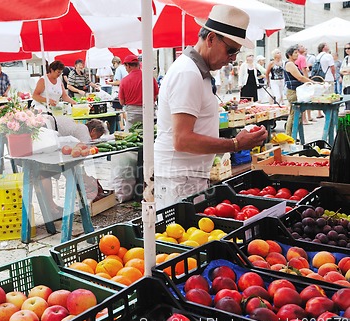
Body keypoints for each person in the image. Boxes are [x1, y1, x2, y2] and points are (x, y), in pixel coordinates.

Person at [154, 5, 267, 209]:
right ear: (211, 39)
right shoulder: (188, 73)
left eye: (236, 53)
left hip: (188, 174)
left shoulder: (198, 71)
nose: (232, 58)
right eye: (231, 50)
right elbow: (182, 140)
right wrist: (235, 144)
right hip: (180, 176)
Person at [40, 118, 108, 220]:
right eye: (97, 137)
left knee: (45, 173)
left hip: (46, 131)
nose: (94, 141)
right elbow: (81, 159)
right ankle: (51, 208)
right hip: (47, 136)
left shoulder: (78, 127)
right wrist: (88, 179)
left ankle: (51, 207)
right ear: (93, 130)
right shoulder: (84, 132)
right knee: (45, 173)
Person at [118, 55, 159, 131]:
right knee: (151, 135)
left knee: (130, 135)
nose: (126, 69)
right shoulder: (150, 77)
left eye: (125, 67)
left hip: (133, 115)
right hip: (149, 113)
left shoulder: (124, 81)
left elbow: (121, 102)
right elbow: (156, 95)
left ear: (128, 66)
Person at [284, 45, 313, 137]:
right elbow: (300, 77)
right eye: (295, 53)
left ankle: (294, 136)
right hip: (292, 91)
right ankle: (289, 136)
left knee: (297, 114)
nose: (297, 54)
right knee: (293, 114)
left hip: (296, 91)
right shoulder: (289, 64)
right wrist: (313, 82)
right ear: (289, 55)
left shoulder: (293, 64)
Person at [314, 43, 335, 119]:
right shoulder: (328, 56)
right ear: (324, 47)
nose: (328, 46)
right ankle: (329, 114)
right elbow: (332, 67)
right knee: (330, 98)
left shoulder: (317, 56)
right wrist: (334, 76)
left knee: (322, 97)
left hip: (320, 78)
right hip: (328, 78)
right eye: (326, 45)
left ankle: (323, 112)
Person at [294, 44, 312, 124]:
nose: (304, 47)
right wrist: (307, 81)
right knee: (305, 99)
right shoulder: (302, 57)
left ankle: (304, 118)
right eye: (302, 46)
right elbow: (304, 70)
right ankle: (305, 119)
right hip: (301, 80)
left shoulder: (295, 58)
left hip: (295, 80)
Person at [341, 43, 350, 110]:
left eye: (348, 48)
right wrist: (345, 71)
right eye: (346, 49)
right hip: (345, 82)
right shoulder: (346, 58)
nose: (347, 50)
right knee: (346, 100)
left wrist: (346, 71)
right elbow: (341, 70)